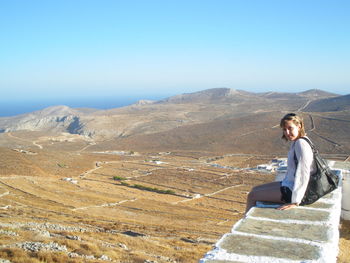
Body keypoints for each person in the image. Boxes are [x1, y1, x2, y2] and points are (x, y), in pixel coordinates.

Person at [245, 113, 316, 213]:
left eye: (290, 128)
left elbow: (304, 172)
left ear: (299, 126)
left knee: (252, 196)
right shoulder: (298, 141)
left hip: (293, 191)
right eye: (284, 129)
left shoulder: (301, 143)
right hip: (289, 184)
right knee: (254, 189)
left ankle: (247, 226)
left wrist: (296, 201)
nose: (287, 132)